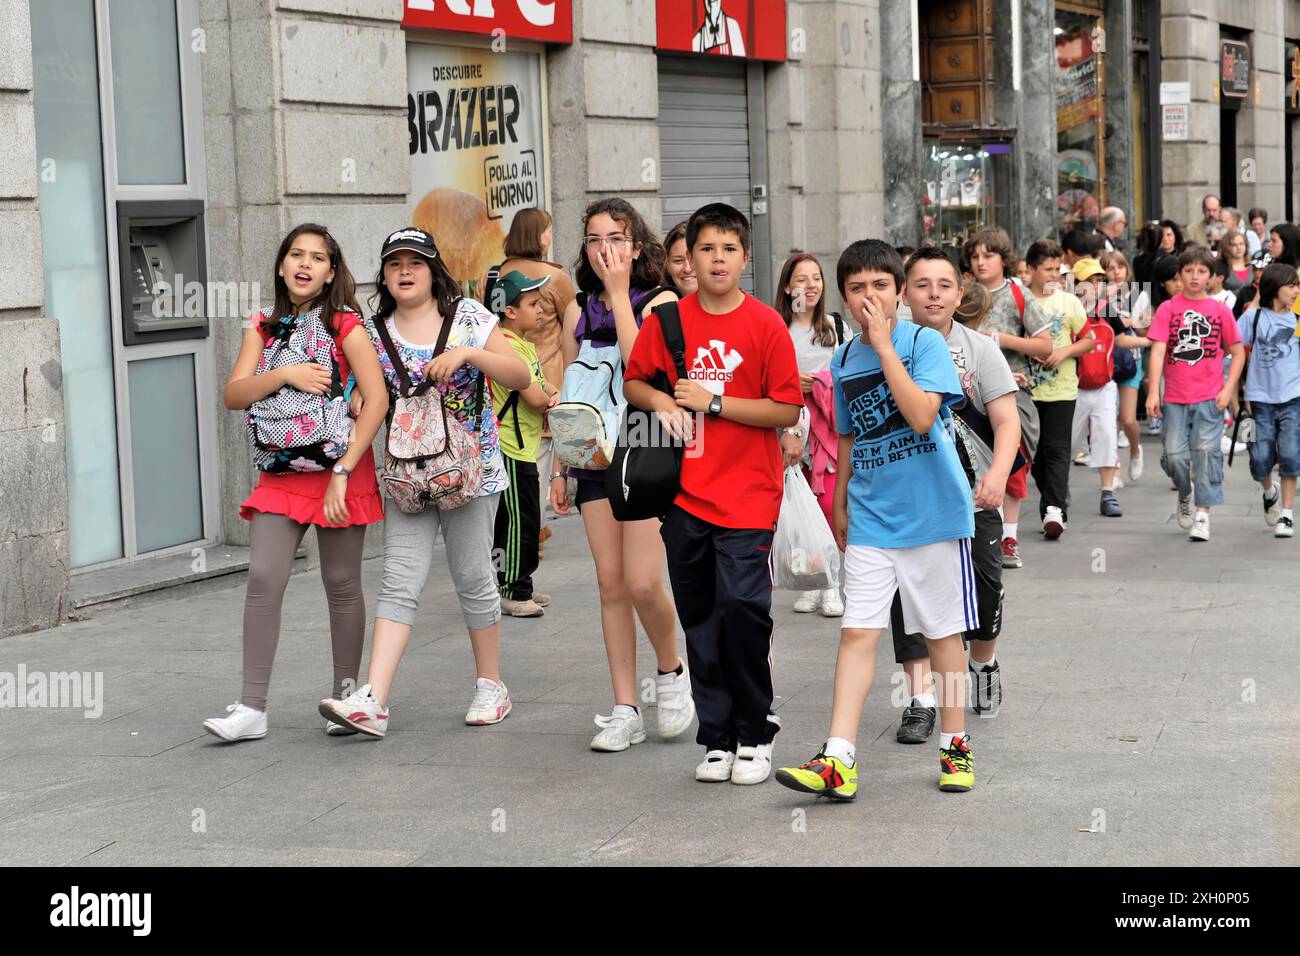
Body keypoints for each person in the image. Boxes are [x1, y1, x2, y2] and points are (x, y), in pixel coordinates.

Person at [773, 240, 977, 800]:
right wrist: (837, 501)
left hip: (933, 515)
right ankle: (838, 759)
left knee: (941, 634)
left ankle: (955, 746)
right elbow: (846, 433)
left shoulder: (923, 343)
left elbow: (919, 417)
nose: (870, 298)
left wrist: (886, 347)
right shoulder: (841, 359)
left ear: (900, 292)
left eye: (881, 287)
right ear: (844, 294)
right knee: (857, 632)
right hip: (870, 515)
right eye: (858, 288)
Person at [320, 227, 531, 737]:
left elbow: (520, 376)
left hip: (471, 471)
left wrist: (468, 355)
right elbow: (360, 391)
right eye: (395, 265)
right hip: (407, 479)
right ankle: (374, 699)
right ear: (385, 277)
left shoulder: (470, 318)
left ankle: (491, 684)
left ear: (434, 270)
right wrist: (355, 400)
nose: (405, 272)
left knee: (474, 576)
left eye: (416, 263)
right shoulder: (372, 333)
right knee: (398, 580)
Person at [624, 203, 803, 785]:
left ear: (746, 258)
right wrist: (662, 402)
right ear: (689, 259)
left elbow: (786, 407)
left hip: (750, 496)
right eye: (707, 249)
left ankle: (756, 732)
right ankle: (718, 737)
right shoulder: (668, 322)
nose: (718, 258)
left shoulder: (766, 324)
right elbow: (635, 381)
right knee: (699, 618)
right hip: (684, 498)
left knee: (744, 611)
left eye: (729, 249)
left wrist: (715, 401)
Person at [204, 225, 389, 743]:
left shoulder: (345, 325)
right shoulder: (262, 326)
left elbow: (375, 400)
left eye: (318, 258)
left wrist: (345, 471)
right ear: (282, 265)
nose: (305, 264)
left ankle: (347, 700)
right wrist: (286, 375)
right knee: (263, 577)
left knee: (341, 583)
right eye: (296, 255)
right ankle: (252, 708)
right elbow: (235, 394)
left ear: (332, 271)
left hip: (339, 469)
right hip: (282, 471)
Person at [548, 198, 692, 752]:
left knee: (641, 580)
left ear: (637, 246)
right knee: (609, 582)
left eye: (615, 237)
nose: (603, 247)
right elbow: (571, 390)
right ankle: (624, 706)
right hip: (591, 454)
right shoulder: (576, 309)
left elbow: (644, 368)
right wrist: (559, 466)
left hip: (643, 446)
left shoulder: (661, 302)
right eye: (592, 239)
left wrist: (616, 291)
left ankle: (672, 669)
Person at [889, 248, 1020, 744]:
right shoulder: (889, 346)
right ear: (905, 292)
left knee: (984, 591)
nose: (933, 294)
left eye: (944, 285)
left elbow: (1006, 421)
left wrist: (999, 476)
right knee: (910, 594)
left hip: (974, 493)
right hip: (910, 496)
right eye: (921, 284)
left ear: (959, 293)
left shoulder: (979, 348)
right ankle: (921, 699)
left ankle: (982, 661)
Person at [478, 207, 577, 515]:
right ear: (538, 236)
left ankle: (510, 530)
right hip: (543, 382)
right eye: (547, 229)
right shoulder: (556, 278)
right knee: (535, 462)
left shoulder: (490, 276)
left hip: (497, 385)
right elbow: (574, 325)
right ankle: (529, 533)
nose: (550, 236)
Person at [1145, 246, 1246, 541]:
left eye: (1201, 271)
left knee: (1205, 453)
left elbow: (1238, 354)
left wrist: (1229, 390)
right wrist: (1153, 391)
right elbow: (1158, 350)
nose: (1194, 276)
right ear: (1180, 274)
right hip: (1175, 396)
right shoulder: (1168, 309)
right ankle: (1185, 494)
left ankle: (1203, 514)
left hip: (1210, 396)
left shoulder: (1219, 310)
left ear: (1212, 276)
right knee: (1175, 457)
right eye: (1189, 271)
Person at [967, 227, 1052, 569]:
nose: (980, 262)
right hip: (966, 396)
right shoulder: (960, 291)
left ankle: (1009, 536)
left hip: (1011, 391)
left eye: (988, 255)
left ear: (1004, 259)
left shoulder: (1018, 295)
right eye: (974, 256)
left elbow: (1046, 346)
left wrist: (1001, 340)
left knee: (1012, 464)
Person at [775, 251, 848, 617]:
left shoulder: (836, 327)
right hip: (788, 425)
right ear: (788, 287)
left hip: (828, 430)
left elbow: (849, 376)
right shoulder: (776, 328)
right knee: (795, 504)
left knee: (826, 505)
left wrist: (820, 382)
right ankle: (809, 581)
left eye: (816, 278)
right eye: (801, 279)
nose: (810, 286)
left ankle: (832, 584)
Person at [490, 271, 559, 618]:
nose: (541, 310)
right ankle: (514, 591)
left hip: (523, 446)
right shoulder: (506, 345)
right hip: (510, 448)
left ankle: (519, 584)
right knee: (521, 521)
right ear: (510, 311)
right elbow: (535, 397)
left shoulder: (522, 344)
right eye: (533, 304)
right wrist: (550, 398)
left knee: (521, 520)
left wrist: (550, 394)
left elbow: (543, 388)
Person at [1024, 241, 1094, 539]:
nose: (1054, 274)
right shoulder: (1022, 301)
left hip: (1062, 388)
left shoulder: (1069, 302)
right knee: (1033, 452)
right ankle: (1053, 499)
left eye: (1058, 269)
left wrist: (1065, 352)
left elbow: (1088, 339)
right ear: (1030, 270)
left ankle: (1054, 508)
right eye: (1047, 269)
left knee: (1057, 449)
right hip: (1027, 388)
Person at [1071, 258, 1150, 517]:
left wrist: (1149, 342)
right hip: (1073, 386)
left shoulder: (1106, 309)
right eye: (1089, 281)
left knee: (1106, 434)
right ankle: (1059, 488)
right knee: (1069, 441)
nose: (1095, 286)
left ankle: (1108, 493)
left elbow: (1120, 339)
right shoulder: (1067, 310)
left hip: (1105, 385)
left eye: (1098, 281)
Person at [1238, 263, 1300, 538]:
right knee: (1259, 460)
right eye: (1292, 285)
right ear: (1276, 288)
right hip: (1259, 399)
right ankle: (1269, 491)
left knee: (1289, 454)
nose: (1297, 290)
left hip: (1293, 397)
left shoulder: (1297, 319)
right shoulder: (1253, 318)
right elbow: (1233, 350)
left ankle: (1286, 514)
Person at [1101, 250, 1150, 480]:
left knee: (1128, 419)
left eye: (1120, 266)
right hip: (1104, 362)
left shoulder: (1139, 294)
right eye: (1110, 268)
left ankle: (1134, 450)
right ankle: (1115, 471)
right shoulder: (1097, 296)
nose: (1116, 272)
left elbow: (1144, 329)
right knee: (1109, 422)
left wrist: (1128, 320)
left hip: (1131, 360)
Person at [664, 220, 697, 298]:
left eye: (694, 258)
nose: (687, 269)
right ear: (667, 265)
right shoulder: (655, 307)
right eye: (678, 261)